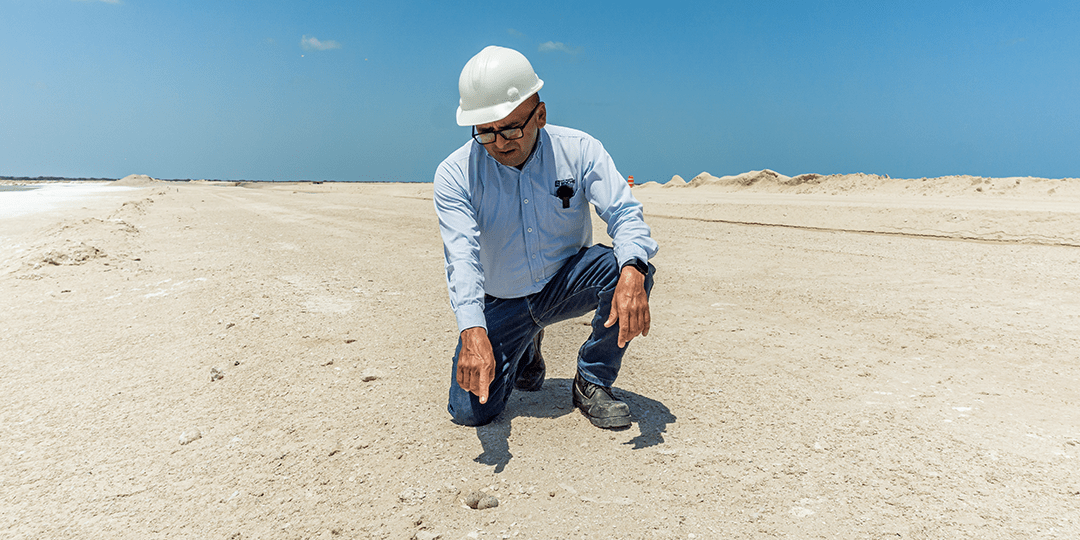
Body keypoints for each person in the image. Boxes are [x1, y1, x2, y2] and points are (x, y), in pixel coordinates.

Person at [433, 45, 658, 429]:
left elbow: (624, 213)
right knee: (471, 412)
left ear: (540, 114)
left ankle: (592, 379)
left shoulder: (580, 150)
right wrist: (472, 329)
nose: (500, 142)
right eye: (485, 132)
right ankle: (525, 349)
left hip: (565, 283)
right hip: (501, 300)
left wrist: (634, 269)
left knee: (627, 267)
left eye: (510, 128)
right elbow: (462, 257)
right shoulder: (455, 174)